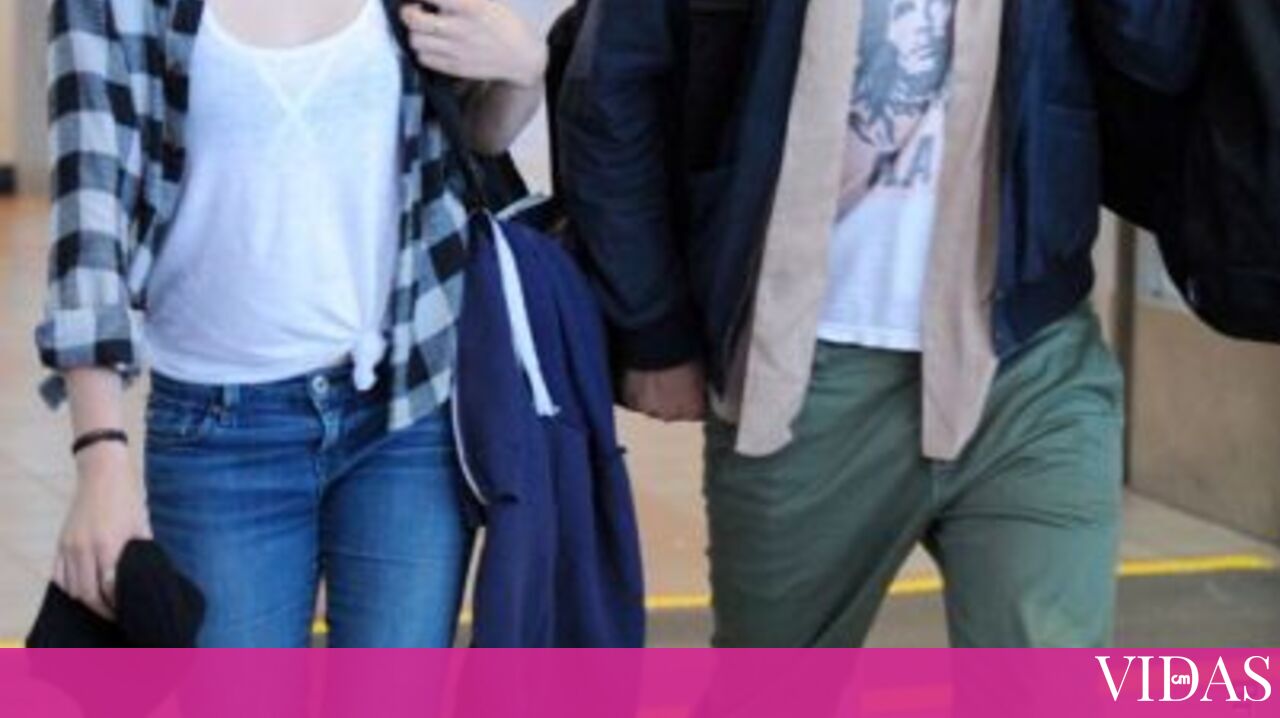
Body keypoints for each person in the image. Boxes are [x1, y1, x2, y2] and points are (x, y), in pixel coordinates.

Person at [559, 0, 1204, 647]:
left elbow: (1162, 56)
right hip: (803, 376)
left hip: (1028, 358)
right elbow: (610, 94)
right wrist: (654, 326)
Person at [38, 0, 546, 647]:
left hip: (409, 409)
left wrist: (525, 71)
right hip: (219, 428)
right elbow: (88, 225)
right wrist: (100, 458)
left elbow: (472, 134)